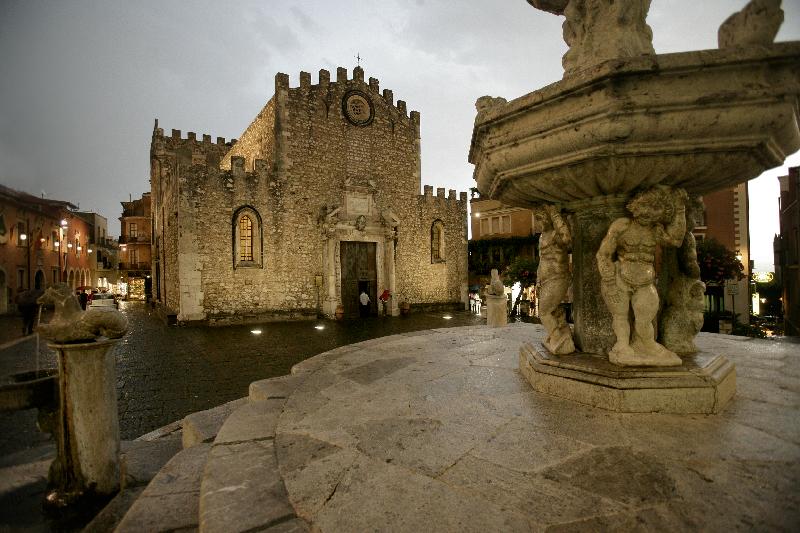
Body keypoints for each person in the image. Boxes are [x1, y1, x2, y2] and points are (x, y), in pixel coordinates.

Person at [596, 186, 687, 366]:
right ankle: (622, 345)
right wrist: (609, 281)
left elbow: (676, 240)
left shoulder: (657, 230)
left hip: (645, 281)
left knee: (645, 320)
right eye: (643, 206)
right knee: (620, 316)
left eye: (654, 208)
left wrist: (680, 208)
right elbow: (603, 254)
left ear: (660, 211)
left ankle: (645, 344)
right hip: (619, 278)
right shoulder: (622, 225)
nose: (647, 212)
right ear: (634, 206)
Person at [536, 205, 575, 354]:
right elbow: (541, 260)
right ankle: (562, 330)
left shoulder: (555, 235)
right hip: (546, 280)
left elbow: (567, 238)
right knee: (553, 310)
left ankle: (558, 339)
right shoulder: (542, 236)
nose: (539, 223)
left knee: (544, 312)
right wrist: (538, 279)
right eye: (537, 220)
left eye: (541, 219)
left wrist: (555, 215)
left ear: (548, 219)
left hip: (558, 278)